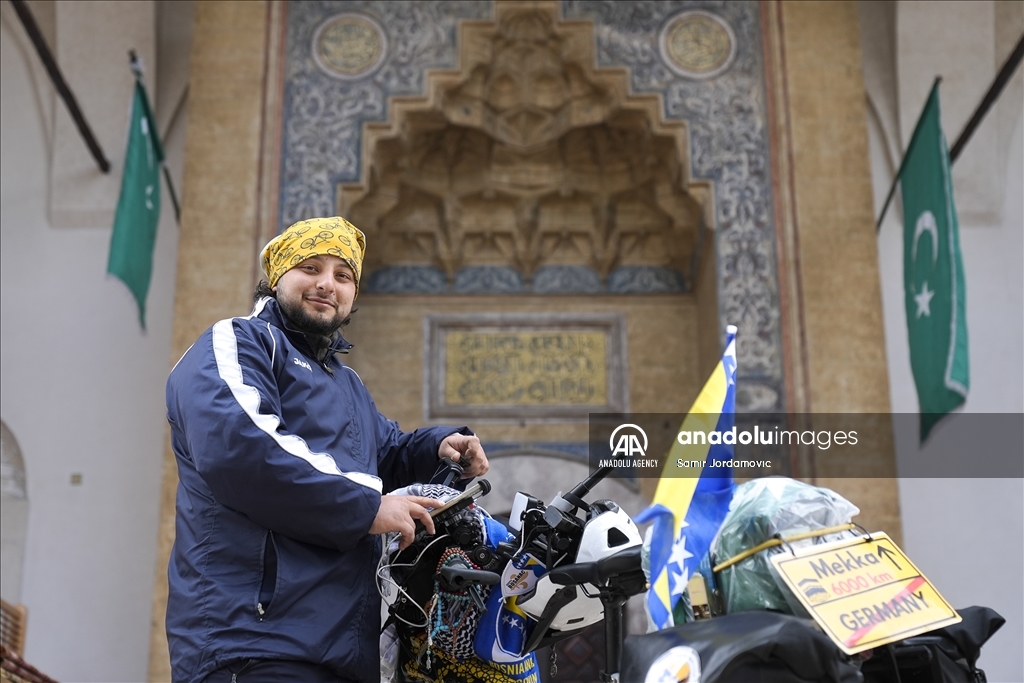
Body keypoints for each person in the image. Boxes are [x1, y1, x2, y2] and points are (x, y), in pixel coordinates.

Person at [164, 216, 489, 683]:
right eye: (310, 267)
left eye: (343, 275)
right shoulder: (239, 343)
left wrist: (438, 446)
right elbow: (241, 450)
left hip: (341, 653)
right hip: (254, 643)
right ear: (277, 277)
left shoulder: (346, 382)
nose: (326, 284)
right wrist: (365, 508)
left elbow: (383, 457)